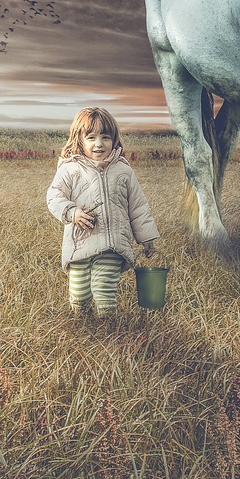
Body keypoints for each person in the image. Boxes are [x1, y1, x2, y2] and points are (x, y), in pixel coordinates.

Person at [46, 106, 160, 321]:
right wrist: (72, 212)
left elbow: (138, 206)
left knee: (103, 289)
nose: (99, 144)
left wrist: (147, 238)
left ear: (114, 139)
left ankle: (109, 328)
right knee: (79, 296)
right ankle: (84, 327)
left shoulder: (123, 170)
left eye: (105, 137)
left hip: (112, 244)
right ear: (79, 140)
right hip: (80, 243)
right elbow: (54, 197)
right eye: (91, 137)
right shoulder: (70, 169)